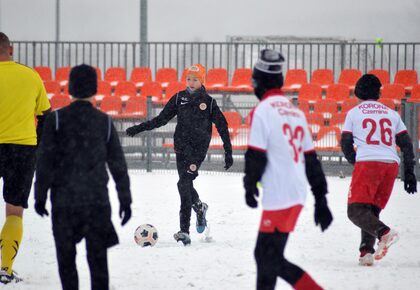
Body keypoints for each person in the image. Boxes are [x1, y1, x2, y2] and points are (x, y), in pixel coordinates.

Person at [34, 64, 132, 290]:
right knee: (98, 263)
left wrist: (40, 196)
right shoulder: (104, 122)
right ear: (95, 89)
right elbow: (118, 165)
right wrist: (125, 200)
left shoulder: (56, 120)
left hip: (64, 203)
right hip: (96, 202)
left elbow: (45, 162)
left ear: (70, 89)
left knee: (66, 261)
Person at [244, 49, 333, 290]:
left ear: (258, 83)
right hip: (296, 193)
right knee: (267, 257)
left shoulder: (262, 111)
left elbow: (256, 155)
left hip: (279, 195)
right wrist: (321, 198)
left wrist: (249, 185)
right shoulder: (295, 111)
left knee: (267, 257)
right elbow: (312, 160)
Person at [126, 64, 233, 245]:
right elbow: (161, 119)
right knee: (186, 183)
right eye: (188, 79)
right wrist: (139, 128)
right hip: (181, 148)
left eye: (195, 79)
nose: (191, 82)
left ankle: (184, 231)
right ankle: (199, 207)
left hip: (197, 150)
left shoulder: (209, 103)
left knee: (183, 183)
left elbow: (222, 126)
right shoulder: (178, 98)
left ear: (202, 81)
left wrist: (228, 151)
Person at [341, 74, 417, 266]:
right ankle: (366, 252)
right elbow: (407, 144)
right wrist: (409, 171)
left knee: (355, 211)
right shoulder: (391, 113)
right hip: (390, 165)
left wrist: (354, 161)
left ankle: (385, 233)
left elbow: (346, 142)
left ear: (358, 92)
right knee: (371, 210)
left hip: (369, 163)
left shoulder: (354, 112)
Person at [0, 32, 51, 284]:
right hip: (21, 149)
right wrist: (37, 146)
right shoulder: (30, 76)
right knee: (14, 210)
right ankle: (5, 270)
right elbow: (45, 115)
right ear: (11, 50)